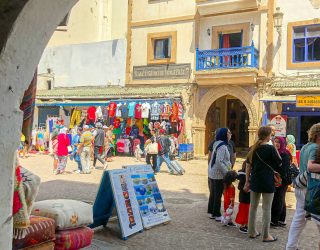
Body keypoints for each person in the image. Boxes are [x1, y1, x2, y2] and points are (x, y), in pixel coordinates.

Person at [245, 126, 281, 242]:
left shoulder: (253, 148)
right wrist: (274, 147)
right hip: (267, 181)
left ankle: (251, 231)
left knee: (253, 207)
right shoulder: (270, 149)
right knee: (266, 209)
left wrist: (247, 181)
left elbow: (248, 166)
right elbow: (279, 162)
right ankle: (266, 235)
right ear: (267, 136)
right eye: (271, 134)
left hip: (255, 180)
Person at [286, 123, 320, 250]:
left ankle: (291, 246)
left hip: (301, 185)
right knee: (315, 217)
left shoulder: (305, 146)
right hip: (310, 187)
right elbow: (311, 167)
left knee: (299, 218)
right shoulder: (315, 148)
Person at [207, 128, 232, 222]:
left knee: (213, 193)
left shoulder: (217, 143)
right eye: (229, 133)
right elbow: (219, 161)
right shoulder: (222, 146)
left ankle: (211, 212)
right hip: (218, 173)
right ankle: (216, 214)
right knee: (217, 194)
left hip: (213, 172)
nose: (230, 134)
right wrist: (227, 172)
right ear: (224, 134)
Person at [271, 136, 291, 227]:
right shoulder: (274, 153)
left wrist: (277, 176)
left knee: (278, 199)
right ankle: (281, 220)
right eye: (275, 142)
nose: (277, 144)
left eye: (279, 142)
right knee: (280, 199)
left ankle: (275, 220)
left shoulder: (284, 154)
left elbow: (284, 169)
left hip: (282, 180)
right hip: (276, 179)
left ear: (282, 143)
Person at [235, 160, 250, 233]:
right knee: (243, 212)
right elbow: (239, 186)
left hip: (247, 197)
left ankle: (246, 225)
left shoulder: (246, 174)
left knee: (247, 212)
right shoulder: (242, 175)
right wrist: (245, 189)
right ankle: (242, 226)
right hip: (244, 197)